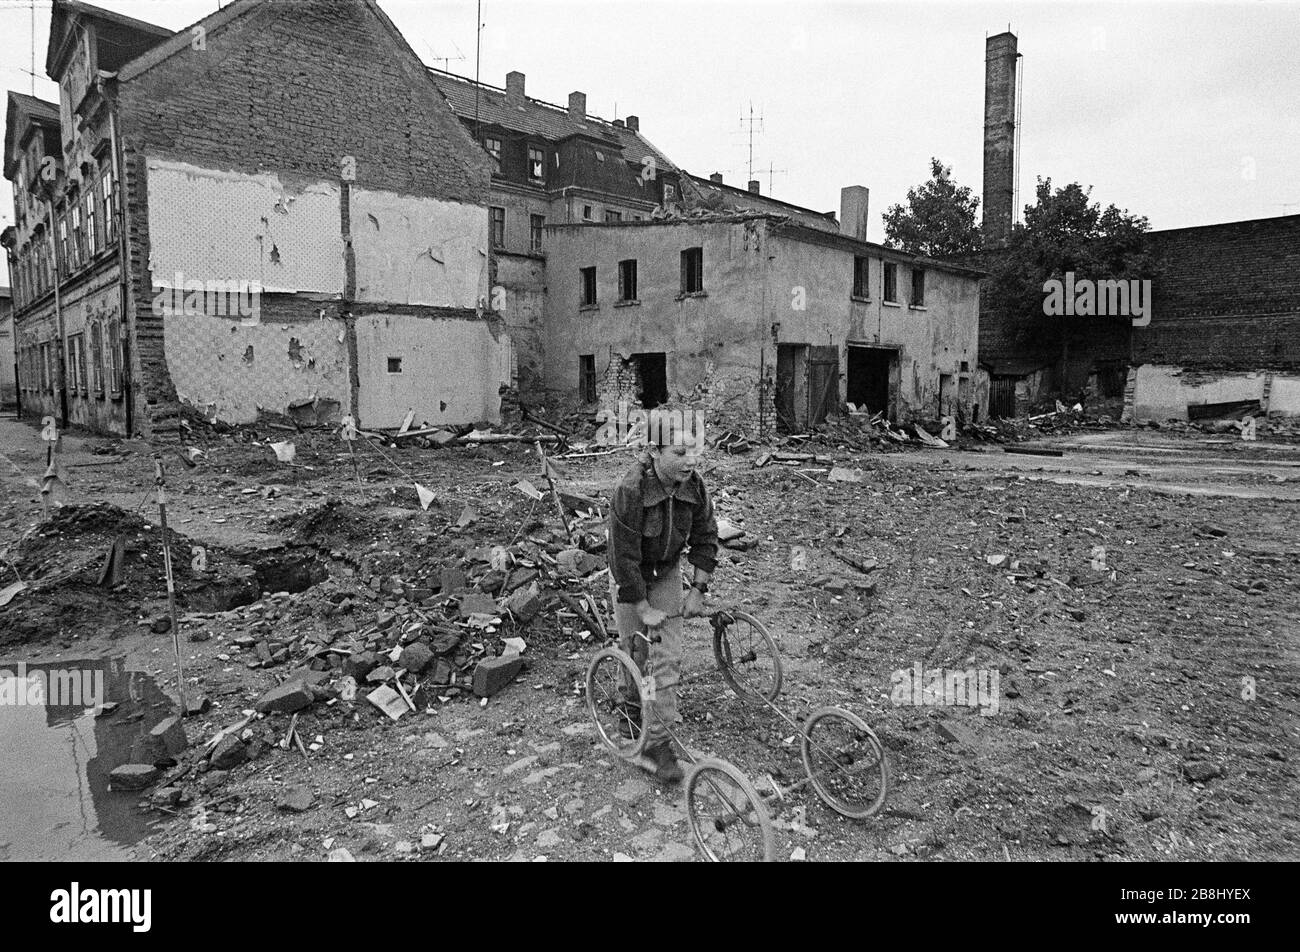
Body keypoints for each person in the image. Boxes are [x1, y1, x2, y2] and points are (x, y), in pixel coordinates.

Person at [606, 408, 718, 783]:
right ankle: (628, 711)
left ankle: (657, 741)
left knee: (666, 659)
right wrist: (641, 606)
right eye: (680, 453)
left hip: (666, 573)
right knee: (636, 652)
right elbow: (622, 558)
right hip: (632, 577)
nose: (691, 461)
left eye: (694, 451)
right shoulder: (630, 491)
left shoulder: (694, 487)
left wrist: (698, 589)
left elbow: (706, 538)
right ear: (655, 451)